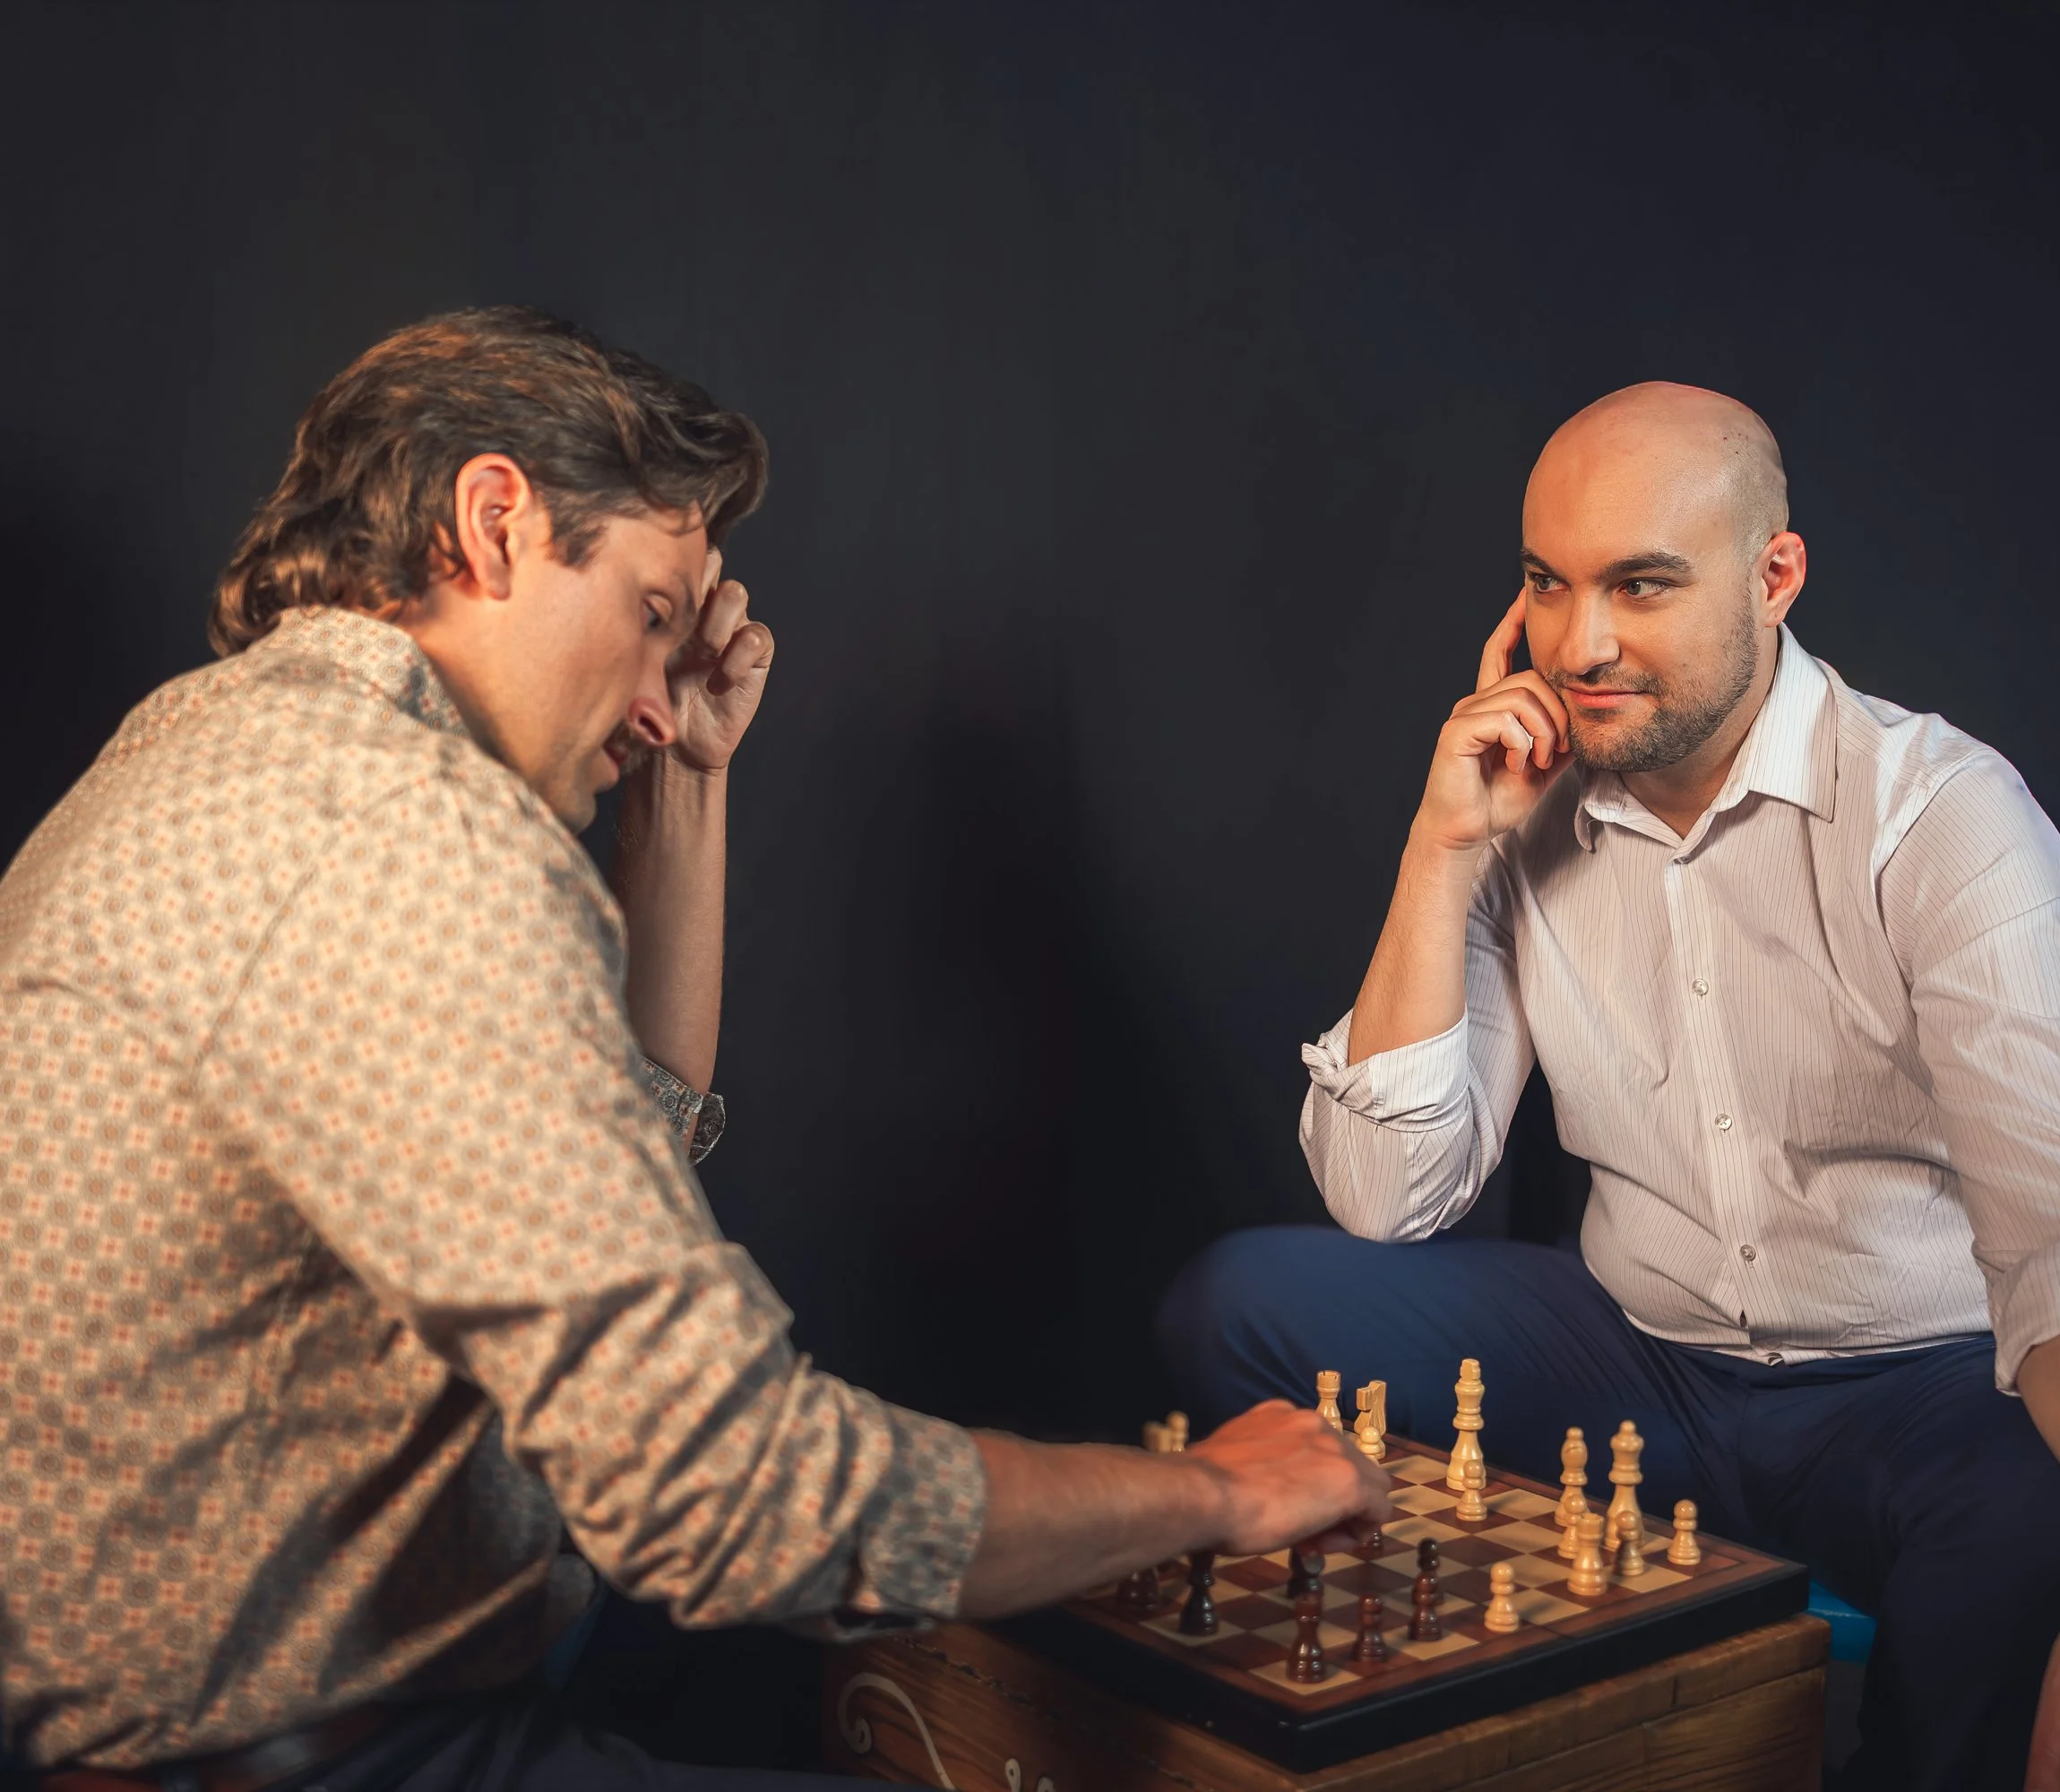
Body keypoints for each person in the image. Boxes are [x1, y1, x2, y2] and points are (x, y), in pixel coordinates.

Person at [0, 308, 1389, 1792]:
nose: (662, 697)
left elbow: (615, 1154)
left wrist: (685, 790)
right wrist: (1205, 1494)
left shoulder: (211, 748)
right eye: (656, 611)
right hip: (317, 1749)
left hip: (310, 1664)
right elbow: (739, 1500)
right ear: (493, 522)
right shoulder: (399, 831)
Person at [1158, 383, 2060, 1792]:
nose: (1581, 644)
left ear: (1774, 577)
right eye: (1549, 583)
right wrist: (1442, 844)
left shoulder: (1941, 814)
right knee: (1235, 1306)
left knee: (2046, 1556)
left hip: (1929, 1386)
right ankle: (1456, 1732)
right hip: (1635, 1356)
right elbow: (1389, 1201)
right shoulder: (1518, 797)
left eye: (1642, 585)